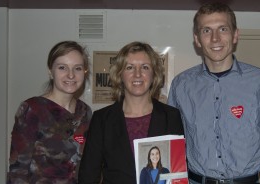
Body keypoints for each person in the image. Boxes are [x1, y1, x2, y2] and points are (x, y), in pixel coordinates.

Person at [167, 2, 260, 184]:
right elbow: (172, 147)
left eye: (223, 29)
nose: (215, 38)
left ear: (235, 35)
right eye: (206, 31)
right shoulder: (181, 85)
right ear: (197, 39)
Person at [78, 41, 184, 184]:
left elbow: (177, 174)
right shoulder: (102, 119)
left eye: (145, 67)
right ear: (120, 75)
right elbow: (88, 175)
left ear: (154, 74)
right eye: (130, 67)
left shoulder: (171, 116)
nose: (138, 74)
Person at [7, 41, 92, 184]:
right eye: (62, 68)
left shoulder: (84, 112)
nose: (71, 75)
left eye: (77, 68)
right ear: (50, 72)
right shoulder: (32, 109)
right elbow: (18, 171)